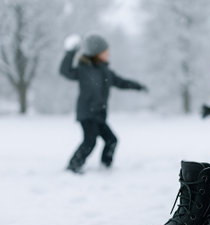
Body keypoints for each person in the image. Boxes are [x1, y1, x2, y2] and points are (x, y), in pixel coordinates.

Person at [60, 33, 148, 173]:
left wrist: (138, 86)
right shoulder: (83, 69)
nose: (107, 54)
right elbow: (65, 71)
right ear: (95, 53)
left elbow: (121, 82)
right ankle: (73, 166)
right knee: (90, 141)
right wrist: (70, 52)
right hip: (87, 113)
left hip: (99, 114)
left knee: (111, 140)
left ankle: (105, 166)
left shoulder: (106, 72)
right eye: (104, 52)